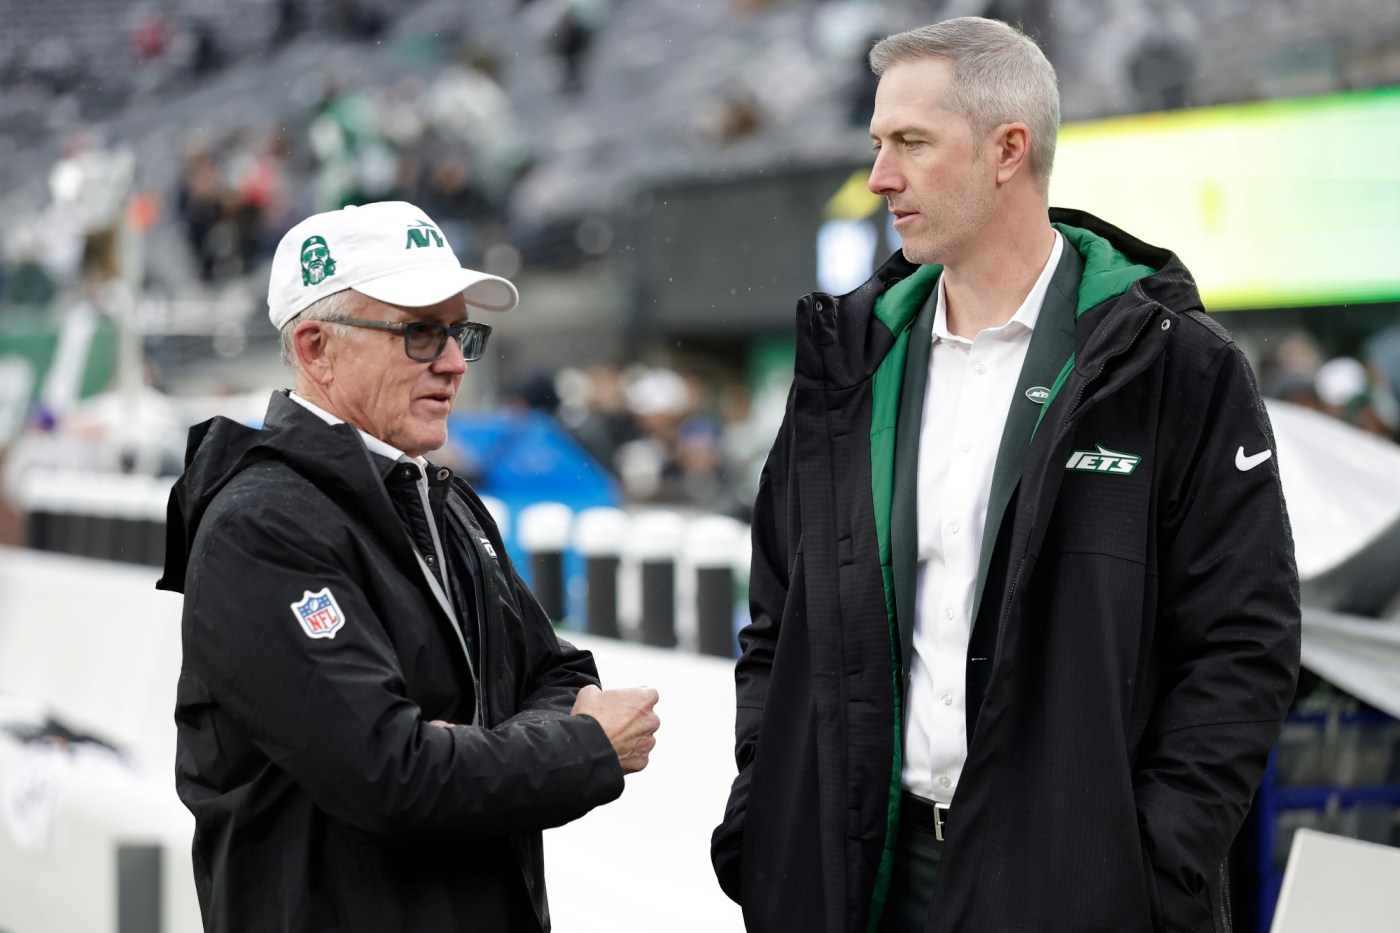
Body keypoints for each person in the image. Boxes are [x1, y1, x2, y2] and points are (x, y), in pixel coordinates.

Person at [711, 18, 1299, 933]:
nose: (880, 176)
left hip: (1075, 889)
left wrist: (1149, 862)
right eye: (878, 143)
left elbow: (1243, 643)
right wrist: (769, 801)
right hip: (860, 876)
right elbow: (778, 616)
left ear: (1008, 151)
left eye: (911, 143)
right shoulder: (851, 362)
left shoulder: (1175, 363)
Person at [157, 200, 660, 933]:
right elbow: (388, 773)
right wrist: (578, 746)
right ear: (316, 348)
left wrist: (466, 751)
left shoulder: (440, 499)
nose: (453, 363)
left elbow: (557, 671)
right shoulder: (259, 526)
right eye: (420, 333)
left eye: (459, 333)